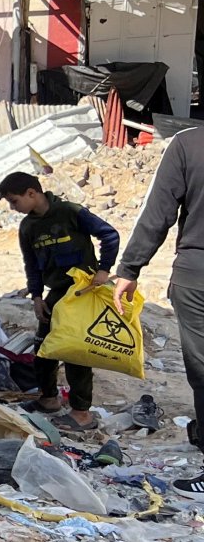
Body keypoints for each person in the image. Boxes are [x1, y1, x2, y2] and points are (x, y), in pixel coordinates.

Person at [111, 126, 204, 497]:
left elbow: (159, 212)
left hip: (197, 278)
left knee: (202, 370)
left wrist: (130, 269)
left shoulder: (189, 143)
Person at [0, 171, 120, 432]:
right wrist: (37, 296)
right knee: (43, 350)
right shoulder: (28, 227)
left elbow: (109, 235)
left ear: (32, 193)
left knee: (75, 353)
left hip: (81, 294)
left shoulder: (70, 212)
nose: (12, 207)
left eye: (14, 201)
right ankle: (49, 400)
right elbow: (31, 263)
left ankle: (82, 414)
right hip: (56, 295)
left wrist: (103, 270)